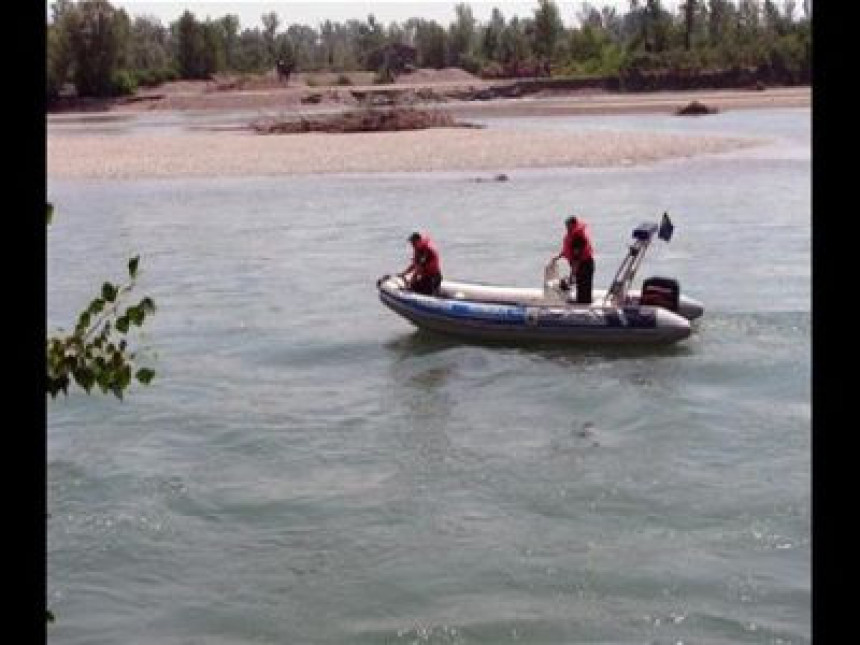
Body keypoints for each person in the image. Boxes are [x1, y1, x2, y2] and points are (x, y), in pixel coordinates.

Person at [552, 215, 595, 304]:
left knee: (584, 288)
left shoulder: (577, 237)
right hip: (581, 264)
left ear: (573, 224)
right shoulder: (572, 235)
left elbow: (577, 257)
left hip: (584, 265)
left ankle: (583, 306)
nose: (566, 228)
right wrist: (559, 256)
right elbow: (568, 250)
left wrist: (573, 273)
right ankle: (582, 303)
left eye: (568, 225)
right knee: (581, 286)